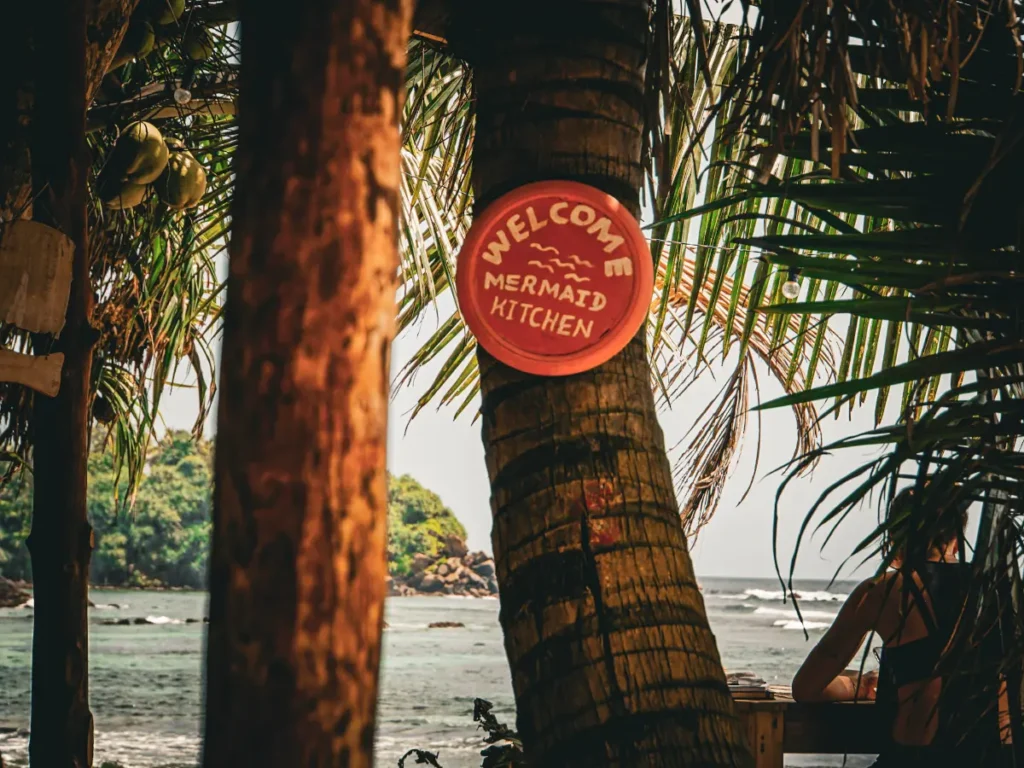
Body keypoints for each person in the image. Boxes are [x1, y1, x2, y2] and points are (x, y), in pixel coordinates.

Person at [791, 487, 1009, 767]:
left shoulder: (885, 590)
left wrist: (856, 685)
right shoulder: (1000, 591)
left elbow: (806, 687)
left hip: (915, 759)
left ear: (894, 536)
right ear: (956, 538)